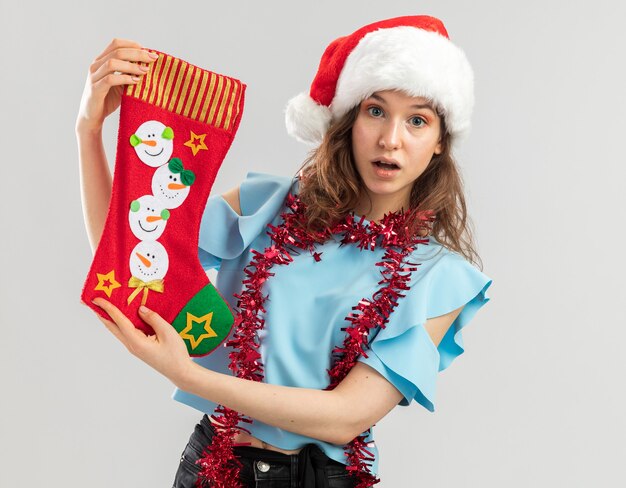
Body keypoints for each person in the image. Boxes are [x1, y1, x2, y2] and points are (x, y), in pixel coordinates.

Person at [77, 15, 492, 487]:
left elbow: (345, 416)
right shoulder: (268, 206)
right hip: (213, 463)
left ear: (440, 142)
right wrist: (88, 132)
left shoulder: (440, 277)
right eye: (375, 111)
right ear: (348, 120)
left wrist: (191, 377)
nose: (390, 138)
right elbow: (131, 258)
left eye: (417, 120)